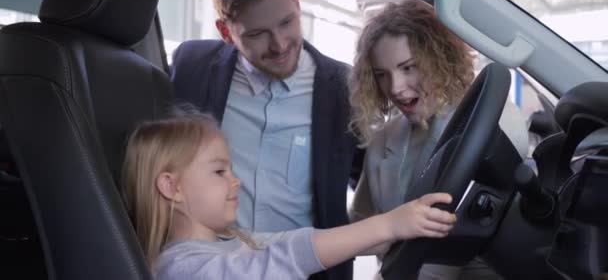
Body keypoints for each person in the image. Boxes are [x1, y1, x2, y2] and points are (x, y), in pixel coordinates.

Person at [170, 0, 362, 280]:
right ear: (226, 31)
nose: (279, 45)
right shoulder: (192, 66)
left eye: (287, 22)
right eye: (257, 33)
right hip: (209, 269)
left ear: (297, 3)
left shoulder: (345, 88)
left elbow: (376, 173)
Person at [121, 112, 457, 280]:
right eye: (220, 171)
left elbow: (292, 241)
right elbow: (279, 259)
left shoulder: (229, 241)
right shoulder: (182, 269)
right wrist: (389, 226)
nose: (236, 182)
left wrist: (392, 237)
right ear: (171, 187)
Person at [348, 0, 528, 279]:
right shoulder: (383, 140)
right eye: (382, 74)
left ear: (440, 58)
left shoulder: (491, 123)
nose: (395, 88)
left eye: (408, 67)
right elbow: (361, 223)